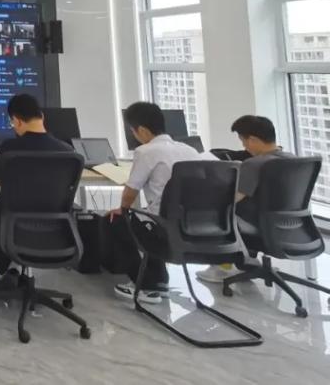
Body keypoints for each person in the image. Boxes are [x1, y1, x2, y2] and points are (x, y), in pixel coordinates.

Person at [108, 102, 215, 303]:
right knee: (148, 217)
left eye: (133, 131)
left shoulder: (146, 151)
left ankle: (146, 284)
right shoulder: (189, 150)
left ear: (141, 130)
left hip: (164, 229)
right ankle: (159, 279)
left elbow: (130, 193)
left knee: (115, 220)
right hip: (196, 227)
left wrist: (122, 210)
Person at [0, 94, 74, 290]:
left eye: (12, 123)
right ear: (42, 116)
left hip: (12, 223)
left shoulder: (10, 148)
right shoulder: (67, 151)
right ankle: (15, 268)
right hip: (55, 227)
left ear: (16, 120)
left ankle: (10, 268)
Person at [196, 115, 293, 284]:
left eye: (243, 141)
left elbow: (235, 199)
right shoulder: (293, 159)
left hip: (261, 227)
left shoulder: (254, 164)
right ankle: (248, 260)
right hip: (293, 227)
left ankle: (223, 267)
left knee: (218, 211)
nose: (244, 147)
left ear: (253, 139)